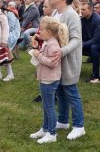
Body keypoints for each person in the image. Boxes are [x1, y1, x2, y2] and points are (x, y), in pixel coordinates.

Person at [50, 0, 86, 140]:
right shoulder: (54, 12)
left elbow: (76, 39)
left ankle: (79, 126)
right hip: (55, 60)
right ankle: (63, 120)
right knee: (59, 90)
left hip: (68, 60)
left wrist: (62, 51)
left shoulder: (71, 15)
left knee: (71, 91)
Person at [29, 16, 69, 144]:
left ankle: (52, 133)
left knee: (49, 107)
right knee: (45, 106)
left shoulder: (53, 45)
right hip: (45, 78)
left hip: (50, 79)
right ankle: (45, 128)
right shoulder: (47, 42)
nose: (39, 32)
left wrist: (38, 55)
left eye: (41, 29)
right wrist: (37, 48)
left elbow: (52, 63)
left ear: (50, 32)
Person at [80, 2, 100, 82]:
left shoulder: (97, 20)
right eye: (81, 9)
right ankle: (73, 71)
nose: (81, 11)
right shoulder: (82, 19)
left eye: (84, 9)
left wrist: (82, 44)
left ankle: (95, 75)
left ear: (90, 10)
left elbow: (96, 39)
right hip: (89, 40)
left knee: (94, 47)